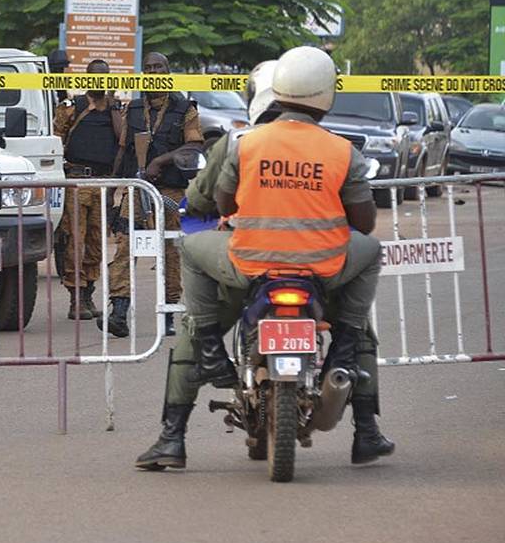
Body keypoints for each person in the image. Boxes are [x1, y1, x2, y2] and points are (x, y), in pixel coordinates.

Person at [136, 47, 395, 470]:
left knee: (191, 332)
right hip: (321, 272)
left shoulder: (241, 143)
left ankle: (173, 436)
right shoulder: (340, 149)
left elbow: (210, 200)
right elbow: (363, 223)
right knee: (358, 328)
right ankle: (366, 430)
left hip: (245, 270)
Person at [104, 52, 203, 337]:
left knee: (170, 251)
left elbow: (194, 147)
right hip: (137, 190)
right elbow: (123, 149)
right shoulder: (134, 109)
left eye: (158, 67)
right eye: (147, 68)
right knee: (125, 245)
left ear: (168, 71)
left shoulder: (185, 109)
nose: (152, 72)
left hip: (170, 190)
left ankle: (170, 311)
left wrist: (161, 161)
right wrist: (113, 188)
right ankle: (119, 310)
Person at [53, 58, 124, 320]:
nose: (99, 82)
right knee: (75, 241)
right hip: (77, 182)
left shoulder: (115, 110)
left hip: (103, 183)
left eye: (104, 77)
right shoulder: (72, 107)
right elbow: (55, 141)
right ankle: (75, 298)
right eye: (95, 76)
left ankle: (88, 293)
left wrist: (114, 105)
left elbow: (122, 139)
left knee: (96, 242)